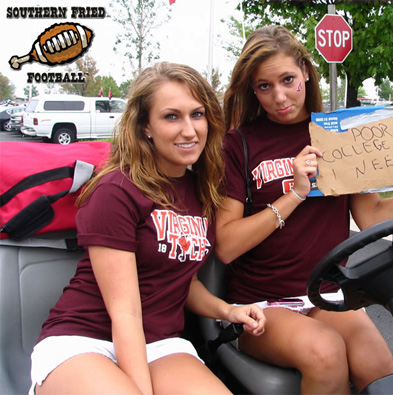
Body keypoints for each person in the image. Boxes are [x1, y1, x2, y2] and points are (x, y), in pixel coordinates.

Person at [216, 25, 393, 394]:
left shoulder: (337, 134)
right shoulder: (239, 144)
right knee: (326, 354)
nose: (279, 96)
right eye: (264, 86)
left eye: (288, 79)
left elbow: (372, 217)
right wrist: (294, 194)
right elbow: (226, 245)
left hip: (325, 293)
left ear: (306, 72)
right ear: (252, 89)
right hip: (260, 304)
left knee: (382, 369)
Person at [29, 62, 265, 395]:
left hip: (159, 343)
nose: (189, 130)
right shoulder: (116, 190)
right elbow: (124, 312)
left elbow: (181, 279)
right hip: (85, 340)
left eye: (197, 114)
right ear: (145, 128)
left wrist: (228, 310)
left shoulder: (201, 190)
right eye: (172, 116)